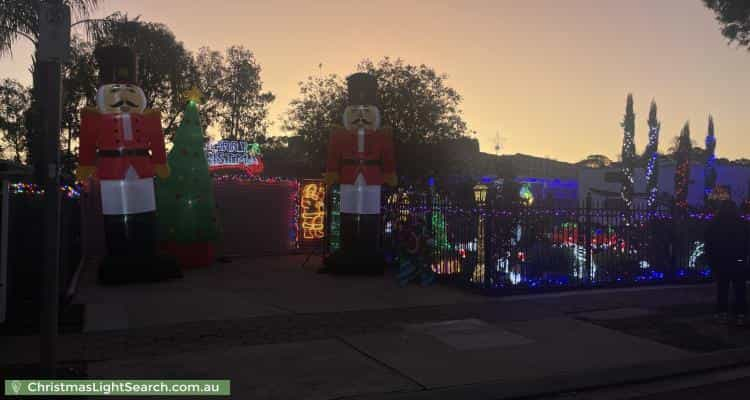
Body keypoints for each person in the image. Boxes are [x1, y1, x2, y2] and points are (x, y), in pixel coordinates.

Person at [705, 200, 750, 326]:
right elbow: (746, 241)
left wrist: (711, 259)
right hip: (738, 260)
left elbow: (709, 242)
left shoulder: (715, 223)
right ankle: (740, 314)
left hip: (721, 260)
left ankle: (722, 313)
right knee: (740, 289)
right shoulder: (742, 223)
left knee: (722, 289)